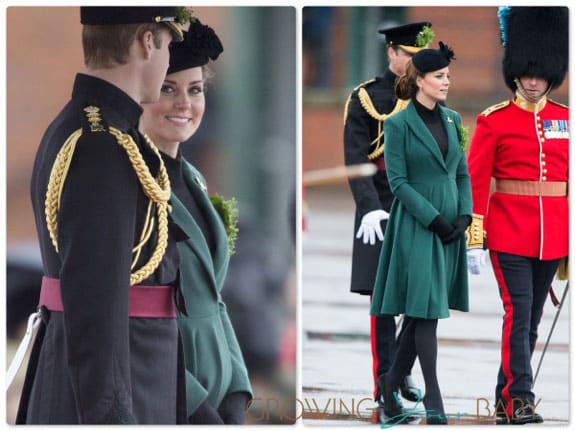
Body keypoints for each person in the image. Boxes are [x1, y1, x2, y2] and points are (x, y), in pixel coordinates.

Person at [17, 7, 190, 424]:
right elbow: (94, 304)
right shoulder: (102, 145)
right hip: (119, 384)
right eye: (168, 47)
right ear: (148, 42)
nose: (168, 63)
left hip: (135, 372)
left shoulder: (99, 130)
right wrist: (110, 416)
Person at [139, 19, 253, 425]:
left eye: (195, 89)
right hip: (167, 393)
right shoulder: (132, 186)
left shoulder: (195, 180)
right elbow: (128, 320)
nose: (185, 104)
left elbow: (214, 301)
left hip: (220, 391)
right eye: (168, 88)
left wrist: (238, 390)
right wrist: (195, 406)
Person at [466, 7, 568, 425]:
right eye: (527, 73)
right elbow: (474, 182)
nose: (533, 80)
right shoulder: (494, 121)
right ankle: (521, 398)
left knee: (530, 324)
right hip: (508, 234)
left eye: (540, 74)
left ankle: (501, 395)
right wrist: (474, 237)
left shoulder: (565, 120)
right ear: (516, 73)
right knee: (518, 313)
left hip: (554, 236)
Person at [370, 42, 471, 425]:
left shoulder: (454, 120)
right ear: (421, 81)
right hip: (416, 226)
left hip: (450, 230)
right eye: (440, 77)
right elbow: (398, 182)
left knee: (421, 311)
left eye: (448, 76)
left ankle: (390, 383)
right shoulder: (397, 124)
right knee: (425, 313)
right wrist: (435, 220)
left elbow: (461, 172)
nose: (447, 82)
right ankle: (434, 399)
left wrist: (464, 216)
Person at [343, 22, 434, 410]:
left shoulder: (430, 96)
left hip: (417, 205)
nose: (415, 65)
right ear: (392, 53)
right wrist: (368, 208)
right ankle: (385, 387)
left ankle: (401, 366)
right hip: (379, 206)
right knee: (383, 303)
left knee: (421, 298)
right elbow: (355, 157)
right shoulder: (365, 97)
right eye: (409, 57)